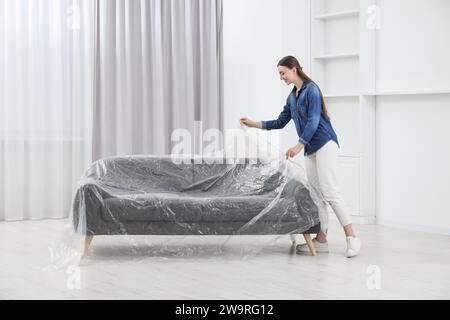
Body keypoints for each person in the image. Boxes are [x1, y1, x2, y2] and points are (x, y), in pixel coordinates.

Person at [240, 55, 361, 258]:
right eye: (279, 74)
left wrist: (299, 144)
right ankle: (321, 240)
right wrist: (254, 124)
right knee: (317, 195)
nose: (281, 77)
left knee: (331, 192)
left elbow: (314, 121)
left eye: (282, 73)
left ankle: (352, 238)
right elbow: (280, 122)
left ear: (294, 69)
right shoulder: (292, 97)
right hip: (310, 148)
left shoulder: (311, 90)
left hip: (325, 143)